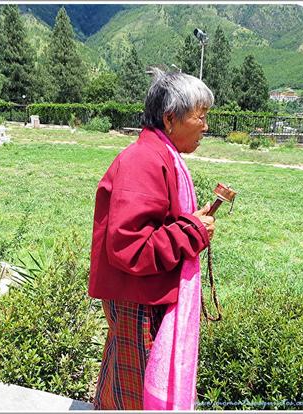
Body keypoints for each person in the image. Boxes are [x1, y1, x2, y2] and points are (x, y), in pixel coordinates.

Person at [88, 69, 216, 410]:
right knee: (136, 396)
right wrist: (192, 231)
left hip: (145, 294)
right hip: (139, 300)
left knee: (129, 388)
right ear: (170, 118)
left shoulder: (159, 156)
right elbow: (130, 247)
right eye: (200, 117)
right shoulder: (143, 160)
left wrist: (190, 223)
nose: (206, 126)